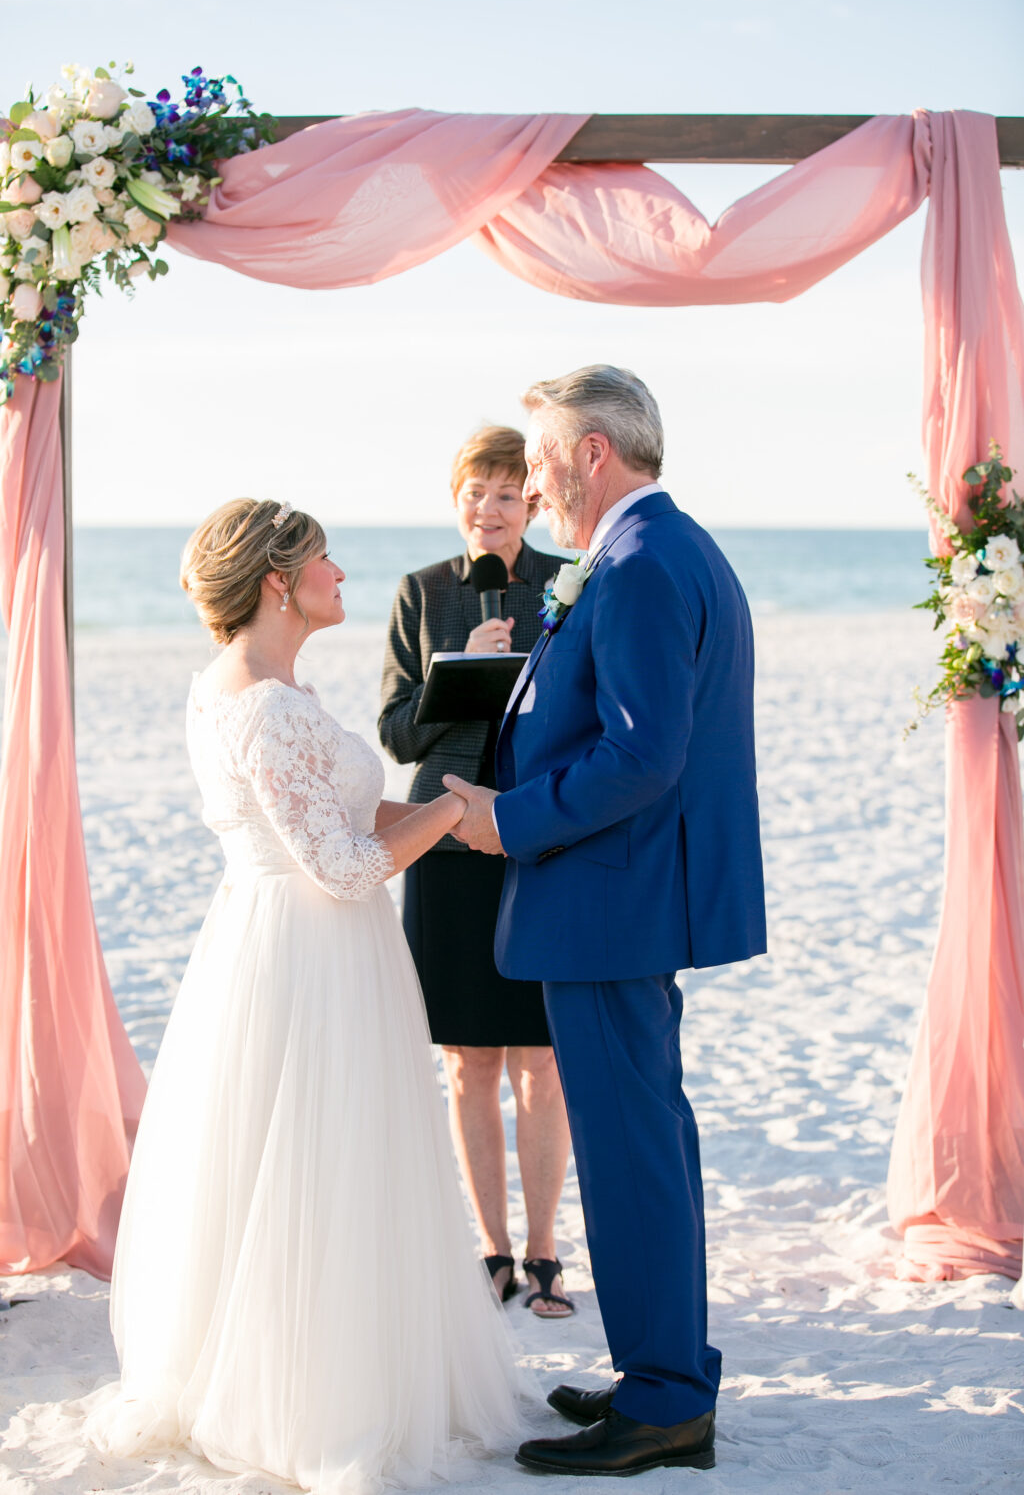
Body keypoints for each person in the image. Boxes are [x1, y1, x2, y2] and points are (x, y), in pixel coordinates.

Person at [86, 499, 522, 1493]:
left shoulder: (260, 684)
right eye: (325, 558)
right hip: (307, 956)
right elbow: (345, 868)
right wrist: (455, 807)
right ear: (278, 581)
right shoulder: (262, 702)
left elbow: (352, 811)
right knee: (312, 1167)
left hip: (291, 940)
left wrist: (447, 815)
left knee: (316, 1165)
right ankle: (310, 1397)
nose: (341, 572)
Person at [445, 366, 767, 1478]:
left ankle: (669, 1398)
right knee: (647, 1146)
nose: (530, 485)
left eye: (537, 461)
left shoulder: (634, 564)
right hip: (624, 899)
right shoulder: (663, 548)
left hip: (609, 900)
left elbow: (641, 753)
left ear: (592, 453)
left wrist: (509, 822)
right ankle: (661, 1371)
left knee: (634, 1153)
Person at [379, 427, 573, 1318]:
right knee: (469, 1062)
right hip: (445, 844)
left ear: (530, 503)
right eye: (475, 492)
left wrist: (522, 661)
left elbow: (583, 709)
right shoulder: (420, 594)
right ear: (455, 498)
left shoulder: (568, 584)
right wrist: (459, 673)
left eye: (505, 495)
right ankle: (490, 1250)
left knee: (540, 1059)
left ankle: (544, 1254)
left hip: (535, 835)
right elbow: (394, 734)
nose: (488, 510)